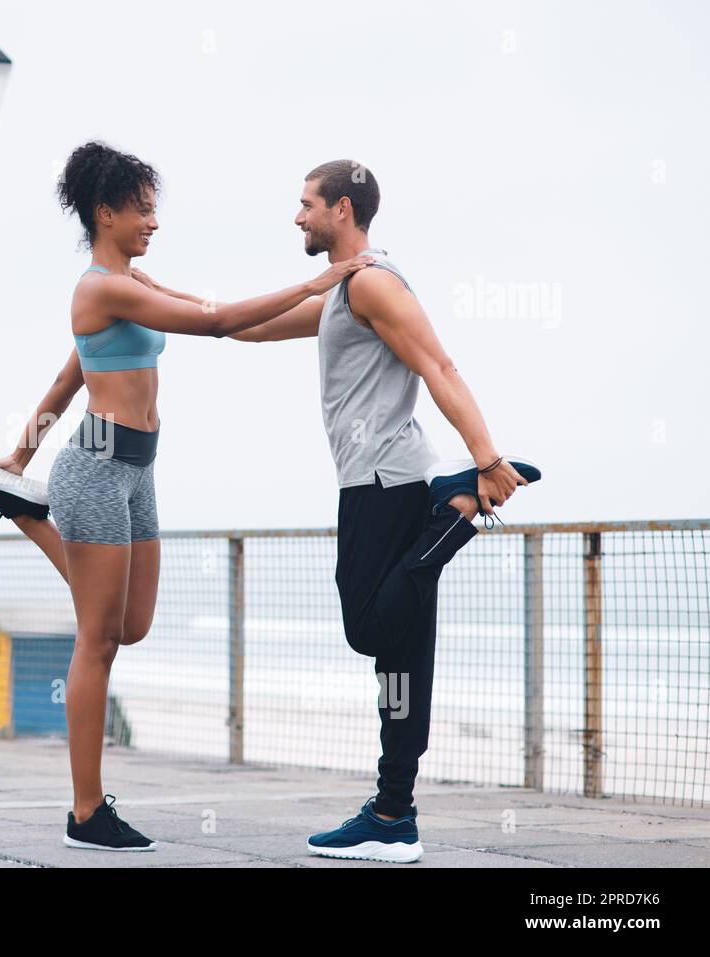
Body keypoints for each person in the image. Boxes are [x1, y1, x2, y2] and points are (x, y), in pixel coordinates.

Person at [0, 141, 373, 851]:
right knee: (98, 639)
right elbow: (216, 322)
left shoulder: (134, 283)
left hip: (137, 469)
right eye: (142, 209)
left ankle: (30, 513)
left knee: (134, 623)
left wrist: (21, 452)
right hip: (92, 469)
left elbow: (76, 375)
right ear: (105, 211)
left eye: (155, 209)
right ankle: (87, 812)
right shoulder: (99, 288)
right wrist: (316, 283)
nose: (153, 221)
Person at [202, 158, 541, 862]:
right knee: (399, 661)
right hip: (383, 483)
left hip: (384, 484)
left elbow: (439, 366)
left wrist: (486, 458)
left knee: (369, 627)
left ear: (343, 211)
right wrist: (148, 292)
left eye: (306, 204)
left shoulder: (375, 284)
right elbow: (247, 327)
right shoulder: (339, 293)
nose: (297, 216)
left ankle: (459, 511)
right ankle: (394, 813)